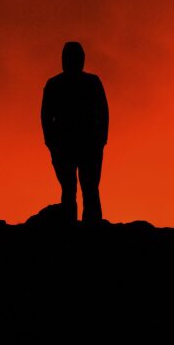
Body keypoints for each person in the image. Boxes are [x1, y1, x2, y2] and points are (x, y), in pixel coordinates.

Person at [40, 41, 109, 224]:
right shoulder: (57, 85)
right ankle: (78, 228)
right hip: (69, 146)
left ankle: (83, 228)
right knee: (73, 189)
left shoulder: (87, 83)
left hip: (85, 145)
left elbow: (103, 113)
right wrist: (51, 143)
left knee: (86, 189)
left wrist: (101, 139)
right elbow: (46, 117)